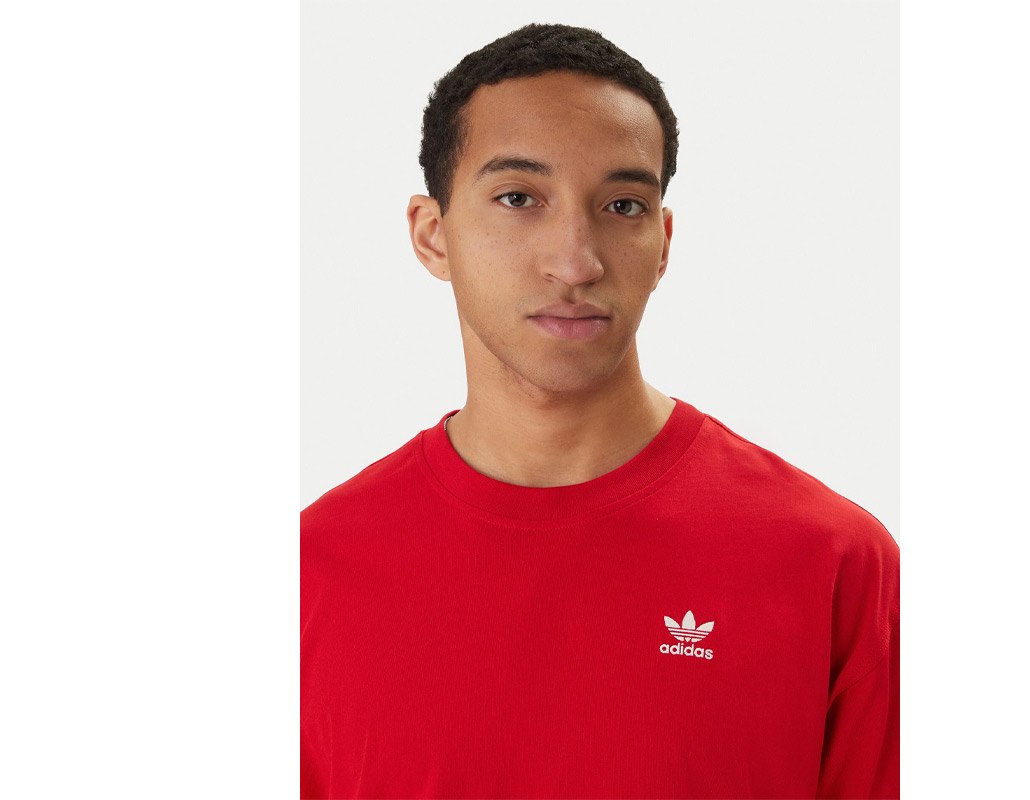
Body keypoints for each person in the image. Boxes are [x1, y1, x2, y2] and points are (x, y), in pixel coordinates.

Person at [301, 22, 898, 799]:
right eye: (519, 198)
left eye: (622, 205)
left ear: (663, 242)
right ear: (432, 235)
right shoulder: (311, 575)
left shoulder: (832, 564)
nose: (576, 261)